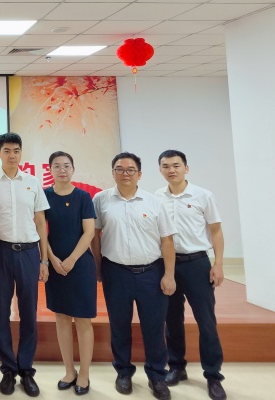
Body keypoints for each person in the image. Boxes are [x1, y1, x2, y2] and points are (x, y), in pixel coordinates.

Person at [91, 152, 177, 400]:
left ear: (139, 174)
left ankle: (157, 376)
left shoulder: (154, 202)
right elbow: (95, 236)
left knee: (154, 327)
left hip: (151, 273)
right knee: (119, 326)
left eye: (130, 170)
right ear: (113, 173)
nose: (125, 173)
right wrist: (98, 267)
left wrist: (169, 274)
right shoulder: (101, 200)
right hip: (116, 272)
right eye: (119, 169)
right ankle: (123, 372)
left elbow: (167, 241)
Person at [0, 133, 50, 398]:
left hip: (29, 252)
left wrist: (44, 259)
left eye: (16, 150)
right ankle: (8, 369)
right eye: (7, 150)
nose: (12, 155)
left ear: (21, 153)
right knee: (1, 312)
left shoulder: (32, 182)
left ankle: (26, 370)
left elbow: (40, 222)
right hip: (0, 251)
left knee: (29, 312)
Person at [156, 150, 227, 400]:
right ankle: (177, 367)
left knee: (206, 321)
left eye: (176, 165)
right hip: (167, 265)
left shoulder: (203, 196)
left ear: (186, 168)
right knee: (172, 319)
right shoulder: (156, 198)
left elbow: (216, 231)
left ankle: (213, 375)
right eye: (166, 166)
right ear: (160, 170)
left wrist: (218, 264)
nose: (171, 170)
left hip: (197, 263)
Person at [43, 151, 97, 396]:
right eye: (57, 166)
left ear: (73, 169)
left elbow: (89, 232)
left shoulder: (83, 197)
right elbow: (41, 231)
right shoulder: (44, 196)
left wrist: (72, 259)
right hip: (55, 265)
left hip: (80, 265)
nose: (62, 170)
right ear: (50, 170)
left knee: (83, 320)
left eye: (66, 166)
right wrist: (51, 259)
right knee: (62, 318)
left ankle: (84, 374)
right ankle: (69, 371)